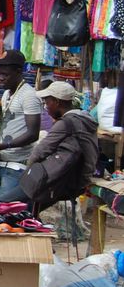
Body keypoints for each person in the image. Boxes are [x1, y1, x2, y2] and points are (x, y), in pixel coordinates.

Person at [25, 82, 98, 214]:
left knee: (23, 202)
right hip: (82, 178)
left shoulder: (66, 123)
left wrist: (27, 172)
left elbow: (40, 152)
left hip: (70, 182)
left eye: (47, 103)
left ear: (57, 102)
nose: (46, 108)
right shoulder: (84, 118)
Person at [0, 50, 41, 202]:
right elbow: (10, 125)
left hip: (17, 166)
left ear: (18, 71)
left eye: (5, 75)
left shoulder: (29, 95)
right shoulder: (6, 94)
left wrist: (1, 146)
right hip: (2, 163)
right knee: (3, 212)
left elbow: (33, 133)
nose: (0, 78)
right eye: (0, 74)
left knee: (8, 214)